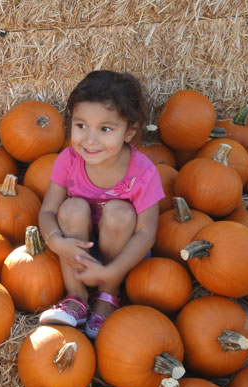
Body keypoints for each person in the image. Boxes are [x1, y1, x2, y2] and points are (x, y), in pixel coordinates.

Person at [38, 70, 165, 339]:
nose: (90, 140)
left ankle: (108, 296)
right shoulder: (68, 160)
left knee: (119, 212)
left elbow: (146, 234)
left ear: (129, 132)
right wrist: (55, 241)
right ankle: (76, 297)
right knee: (71, 208)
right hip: (79, 247)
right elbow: (48, 211)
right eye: (81, 125)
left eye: (105, 129)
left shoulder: (142, 172)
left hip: (121, 253)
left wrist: (112, 271)